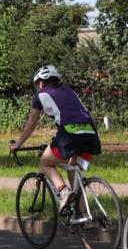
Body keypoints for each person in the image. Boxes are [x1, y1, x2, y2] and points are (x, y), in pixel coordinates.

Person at [10, 65, 101, 208]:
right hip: (91, 136)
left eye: (38, 84)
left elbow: (32, 122)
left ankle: (63, 192)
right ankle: (82, 216)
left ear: (41, 82)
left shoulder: (40, 94)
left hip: (70, 136)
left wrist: (18, 144)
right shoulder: (70, 91)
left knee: (46, 162)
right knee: (73, 171)